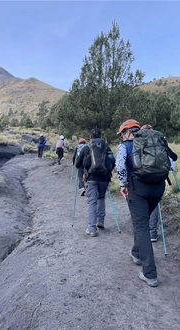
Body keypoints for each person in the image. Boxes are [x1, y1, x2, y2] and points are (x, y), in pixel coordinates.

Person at [116, 119, 177, 287]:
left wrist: (123, 185)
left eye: (122, 133)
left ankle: (150, 273)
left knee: (141, 226)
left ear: (127, 131)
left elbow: (120, 167)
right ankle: (136, 252)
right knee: (142, 223)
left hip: (138, 189)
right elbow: (172, 165)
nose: (121, 137)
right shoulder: (155, 141)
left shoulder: (125, 146)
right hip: (158, 188)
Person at [140, 124, 178, 242]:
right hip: (159, 178)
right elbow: (173, 159)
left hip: (142, 178)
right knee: (154, 204)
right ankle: (152, 233)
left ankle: (142, 231)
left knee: (141, 203)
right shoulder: (160, 141)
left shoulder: (139, 141)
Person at [75, 128, 115, 237]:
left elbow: (77, 165)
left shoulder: (87, 147)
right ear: (101, 136)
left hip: (91, 178)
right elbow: (113, 161)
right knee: (101, 198)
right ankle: (100, 221)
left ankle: (92, 229)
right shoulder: (106, 147)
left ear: (91, 137)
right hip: (104, 178)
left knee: (92, 201)